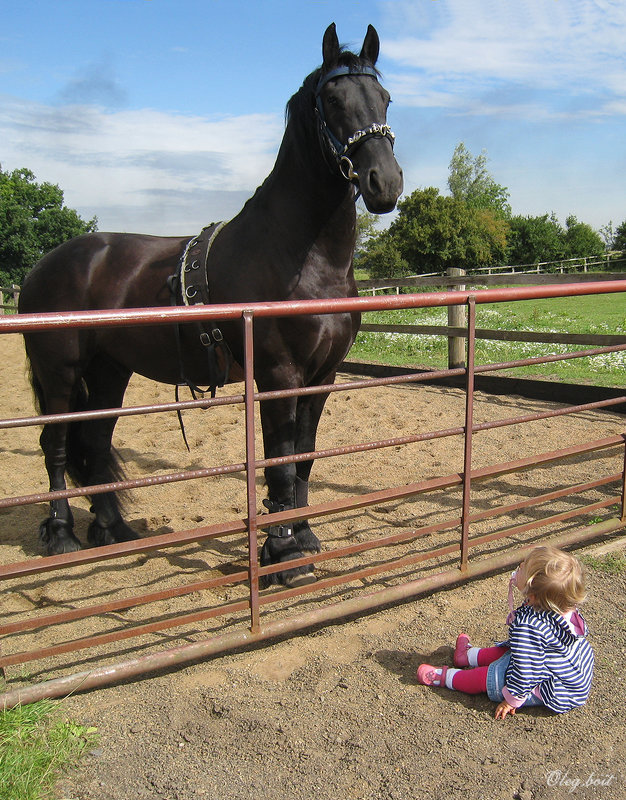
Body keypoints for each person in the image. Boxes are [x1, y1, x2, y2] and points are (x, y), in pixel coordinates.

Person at [416, 545, 594, 718]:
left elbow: (526, 670)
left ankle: (446, 677)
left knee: (487, 677)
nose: (520, 566)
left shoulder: (530, 625)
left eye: (523, 568)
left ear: (532, 593)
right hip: (559, 666)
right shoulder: (559, 606)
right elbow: (527, 655)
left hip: (549, 685)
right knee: (509, 651)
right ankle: (466, 656)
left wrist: (512, 699)